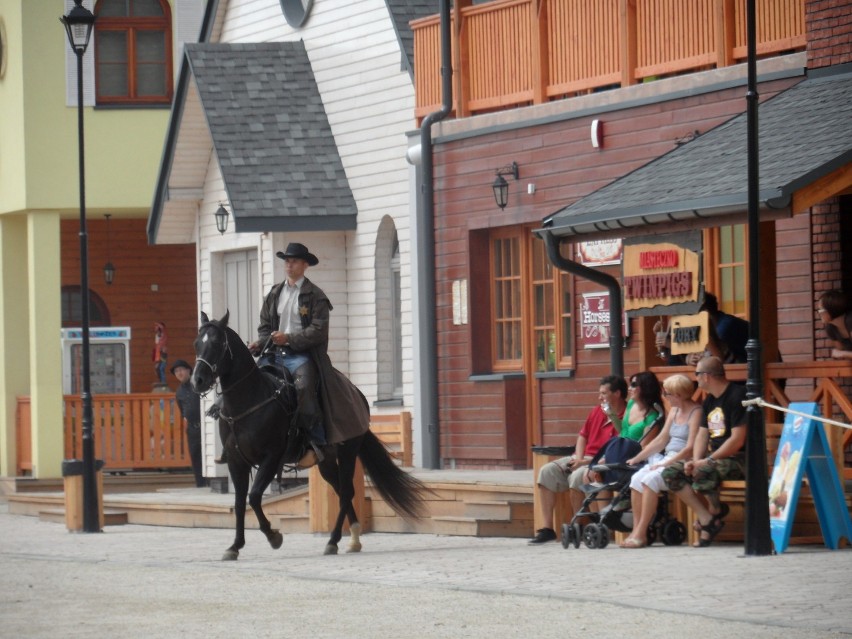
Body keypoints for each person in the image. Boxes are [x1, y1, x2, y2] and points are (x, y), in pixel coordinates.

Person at [528, 375, 627, 545]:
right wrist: (579, 458)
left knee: (576, 477)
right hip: (583, 457)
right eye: (599, 393)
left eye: (603, 393)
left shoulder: (625, 416)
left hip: (601, 461)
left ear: (617, 393)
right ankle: (547, 529)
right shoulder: (597, 410)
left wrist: (584, 463)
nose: (600, 397)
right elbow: (582, 436)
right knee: (546, 472)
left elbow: (617, 449)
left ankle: (579, 525)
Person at [662, 355, 746, 547]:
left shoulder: (738, 396)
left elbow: (737, 440)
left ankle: (715, 512)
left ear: (706, 376)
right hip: (714, 459)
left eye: (697, 374)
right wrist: (695, 460)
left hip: (739, 459)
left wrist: (706, 461)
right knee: (672, 472)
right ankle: (707, 517)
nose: (696, 378)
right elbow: (702, 435)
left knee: (704, 470)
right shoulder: (709, 401)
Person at [619, 373, 701, 548]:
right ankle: (636, 530)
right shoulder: (674, 411)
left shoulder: (696, 412)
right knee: (636, 479)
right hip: (668, 457)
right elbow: (661, 440)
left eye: (667, 393)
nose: (665, 397)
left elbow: (690, 447)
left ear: (678, 395)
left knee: (650, 480)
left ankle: (641, 534)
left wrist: (664, 463)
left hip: (683, 461)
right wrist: (637, 458)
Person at [171, 359, 205, 487]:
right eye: (176, 371)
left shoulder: (198, 383)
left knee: (205, 456)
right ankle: (200, 485)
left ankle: (208, 483)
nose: (179, 373)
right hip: (192, 429)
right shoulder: (179, 392)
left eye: (181, 370)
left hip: (204, 426)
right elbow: (182, 411)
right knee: (195, 457)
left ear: (188, 370)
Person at [620, 371, 663, 443]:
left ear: (645, 387)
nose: (629, 388)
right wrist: (612, 415)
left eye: (633, 385)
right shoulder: (631, 403)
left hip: (634, 452)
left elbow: (643, 446)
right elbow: (622, 430)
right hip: (619, 446)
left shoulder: (653, 417)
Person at [817, 289, 852, 360]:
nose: (819, 313)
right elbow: (840, 357)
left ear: (832, 308)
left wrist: (842, 353)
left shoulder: (850, 320)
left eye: (821, 310)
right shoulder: (831, 328)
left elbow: (840, 353)